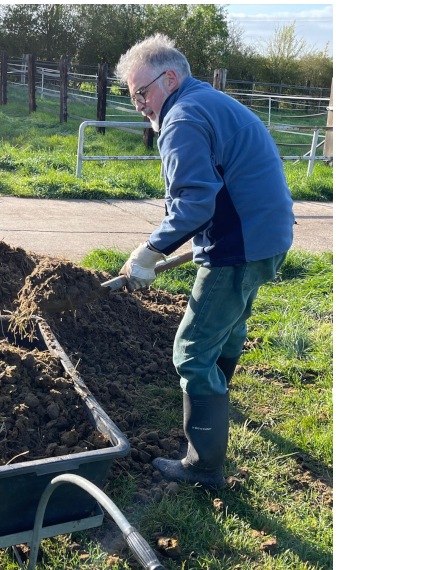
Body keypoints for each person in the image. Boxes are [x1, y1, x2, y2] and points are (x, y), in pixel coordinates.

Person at [115, 33, 295, 488]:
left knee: (191, 353)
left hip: (241, 246)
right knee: (229, 325)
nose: (138, 105)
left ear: (169, 78)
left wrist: (150, 251)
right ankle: (218, 403)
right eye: (132, 96)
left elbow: (195, 204)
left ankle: (204, 465)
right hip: (267, 235)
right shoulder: (208, 101)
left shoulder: (182, 117)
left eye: (141, 92)